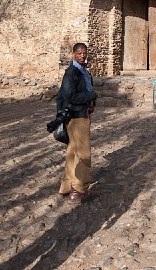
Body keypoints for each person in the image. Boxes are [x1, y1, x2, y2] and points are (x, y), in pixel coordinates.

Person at [57, 42, 97, 203]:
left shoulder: (83, 71)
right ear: (73, 54)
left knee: (73, 152)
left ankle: (66, 187)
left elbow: (84, 90)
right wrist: (91, 97)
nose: (82, 56)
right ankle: (79, 190)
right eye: (79, 53)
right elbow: (70, 96)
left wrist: (90, 104)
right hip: (76, 116)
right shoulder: (71, 72)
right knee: (83, 153)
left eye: (84, 53)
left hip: (82, 112)